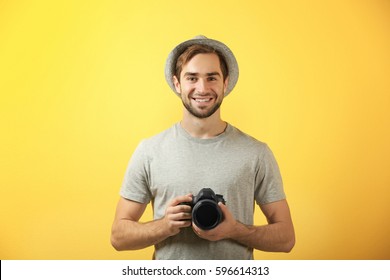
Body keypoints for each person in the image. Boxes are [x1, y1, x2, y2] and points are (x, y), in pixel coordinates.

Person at [111, 35, 295, 259]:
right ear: (177, 83)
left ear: (225, 83)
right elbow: (118, 237)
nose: (202, 88)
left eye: (211, 78)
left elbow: (286, 238)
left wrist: (235, 229)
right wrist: (165, 225)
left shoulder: (256, 153)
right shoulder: (149, 151)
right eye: (192, 78)